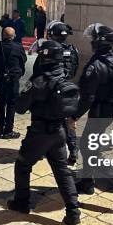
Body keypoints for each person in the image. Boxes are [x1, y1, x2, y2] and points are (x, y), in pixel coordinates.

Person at [8, 40, 81, 225]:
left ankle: (22, 202)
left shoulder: (38, 82)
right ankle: (73, 211)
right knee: (62, 172)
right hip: (59, 132)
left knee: (23, 164)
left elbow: (20, 108)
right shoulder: (65, 79)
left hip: (39, 133)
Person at [71, 24, 113, 207]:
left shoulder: (97, 65)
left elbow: (87, 98)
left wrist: (74, 116)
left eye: (93, 39)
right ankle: (87, 182)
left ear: (99, 42)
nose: (91, 42)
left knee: (89, 147)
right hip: (109, 111)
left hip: (99, 112)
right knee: (89, 146)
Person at [34, 21, 80, 165]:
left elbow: (37, 71)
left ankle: (39, 150)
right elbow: (75, 69)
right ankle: (73, 151)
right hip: (66, 88)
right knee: (68, 122)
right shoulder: (73, 50)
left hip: (49, 90)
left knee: (40, 120)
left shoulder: (48, 50)